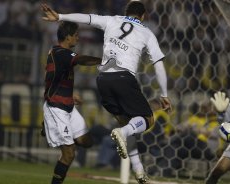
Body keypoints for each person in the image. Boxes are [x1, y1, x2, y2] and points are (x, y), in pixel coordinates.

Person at [41, 1, 172, 183]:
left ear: (127, 12)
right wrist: (164, 94)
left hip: (103, 81)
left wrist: (60, 17)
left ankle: (139, 171)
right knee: (147, 119)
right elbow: (159, 65)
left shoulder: (112, 20)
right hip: (123, 78)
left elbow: (87, 19)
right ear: (143, 16)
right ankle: (123, 134)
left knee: (130, 123)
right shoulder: (146, 32)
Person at [42, 21, 101, 184]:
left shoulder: (58, 54)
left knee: (86, 142)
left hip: (67, 105)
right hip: (56, 108)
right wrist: (103, 60)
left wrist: (69, 94)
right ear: (67, 37)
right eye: (76, 35)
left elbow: (52, 79)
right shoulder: (61, 52)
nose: (78, 38)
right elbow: (82, 60)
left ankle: (60, 134)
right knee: (69, 154)